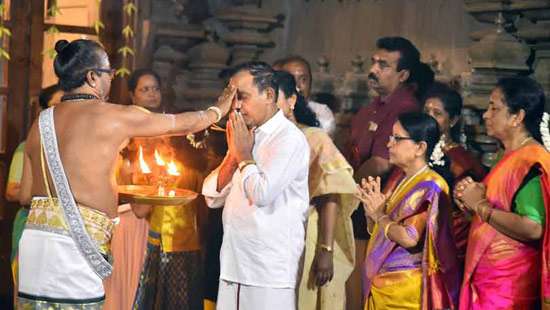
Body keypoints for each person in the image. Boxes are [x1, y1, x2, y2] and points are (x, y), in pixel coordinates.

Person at [17, 39, 234, 309]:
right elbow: (180, 123)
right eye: (109, 73)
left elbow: (26, 194)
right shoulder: (113, 116)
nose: (111, 80)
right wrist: (217, 110)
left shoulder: (41, 122)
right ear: (93, 76)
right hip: (75, 246)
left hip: (36, 241)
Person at [202, 62, 310, 309]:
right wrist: (233, 157)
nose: (237, 106)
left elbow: (262, 193)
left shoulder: (289, 139)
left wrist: (242, 155)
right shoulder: (248, 135)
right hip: (235, 262)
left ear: (269, 95)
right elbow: (211, 195)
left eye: (243, 97)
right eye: (234, 98)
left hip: (268, 270)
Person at [346, 36, 428, 309]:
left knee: (361, 282)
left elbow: (381, 163)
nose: (374, 69)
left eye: (384, 65)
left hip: (379, 205)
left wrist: (341, 186)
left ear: (403, 74)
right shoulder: (370, 107)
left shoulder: (404, 109)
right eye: (374, 62)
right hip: (361, 204)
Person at [454, 76, 550, 309]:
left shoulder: (530, 161)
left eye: (494, 108)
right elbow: (499, 214)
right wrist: (469, 204)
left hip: (508, 289)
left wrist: (480, 207)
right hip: (490, 280)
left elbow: (533, 227)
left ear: (517, 117)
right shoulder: (508, 156)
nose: (486, 115)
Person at [357, 112, 460, 309]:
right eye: (389, 138)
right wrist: (371, 210)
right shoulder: (401, 179)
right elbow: (383, 229)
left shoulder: (431, 186)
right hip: (384, 285)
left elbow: (408, 237)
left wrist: (379, 215)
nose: (389, 144)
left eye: (396, 138)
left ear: (420, 147)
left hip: (404, 291)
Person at [275, 71, 359, 309]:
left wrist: (326, 249)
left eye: (273, 98)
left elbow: (330, 193)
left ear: (291, 101)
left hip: (306, 232)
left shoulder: (314, 138)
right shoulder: (261, 138)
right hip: (271, 235)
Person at [103, 68, 164, 310]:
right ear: (132, 95)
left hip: (163, 224)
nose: (151, 94)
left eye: (155, 88)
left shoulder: (168, 129)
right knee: (126, 292)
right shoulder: (126, 135)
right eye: (144, 89)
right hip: (129, 220)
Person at [6, 84, 62, 300]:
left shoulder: (72, 147)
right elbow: (12, 192)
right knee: (27, 295)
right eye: (55, 106)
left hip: (61, 232)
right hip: (31, 227)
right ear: (43, 112)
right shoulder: (27, 146)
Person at [422, 82, 485, 265]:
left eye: (437, 113)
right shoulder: (414, 149)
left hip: (446, 241)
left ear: (453, 120)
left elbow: (465, 212)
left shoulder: (460, 160)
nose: (429, 118)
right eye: (426, 111)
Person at [273, 55, 336, 136]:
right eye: (292, 80)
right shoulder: (271, 113)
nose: (298, 87)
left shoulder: (322, 113)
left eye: (303, 80)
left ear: (311, 82)